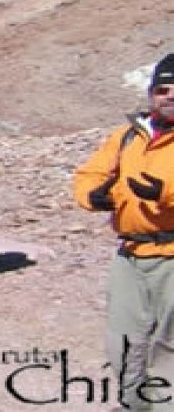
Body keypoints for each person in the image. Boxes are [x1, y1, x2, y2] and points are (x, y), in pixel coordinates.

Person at [74, 52, 174, 411]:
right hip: (130, 255)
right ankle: (134, 404)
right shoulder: (127, 136)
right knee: (124, 342)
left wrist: (164, 195)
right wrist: (93, 195)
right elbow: (91, 173)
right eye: (163, 88)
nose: (170, 95)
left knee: (170, 347)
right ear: (151, 93)